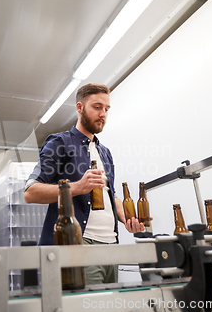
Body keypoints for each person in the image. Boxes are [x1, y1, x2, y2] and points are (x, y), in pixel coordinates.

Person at [24, 83, 147, 285]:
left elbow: (110, 195)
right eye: (97, 107)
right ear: (80, 107)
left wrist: (127, 218)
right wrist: (78, 187)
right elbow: (30, 192)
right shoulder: (59, 143)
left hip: (111, 244)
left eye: (106, 109)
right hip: (80, 244)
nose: (103, 114)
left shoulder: (105, 152)